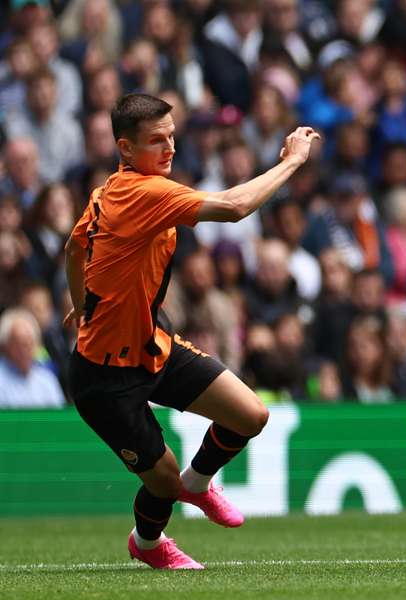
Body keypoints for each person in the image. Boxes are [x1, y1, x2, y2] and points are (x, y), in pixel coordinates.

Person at [64, 93, 318, 570]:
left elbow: (74, 250)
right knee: (161, 480)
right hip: (104, 376)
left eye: (173, 137)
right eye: (156, 141)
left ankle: (199, 483)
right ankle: (147, 542)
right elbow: (235, 206)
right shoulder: (143, 193)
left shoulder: (109, 191)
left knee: (251, 415)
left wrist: (82, 306)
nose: (170, 149)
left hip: (149, 345)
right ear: (124, 147)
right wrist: (292, 162)